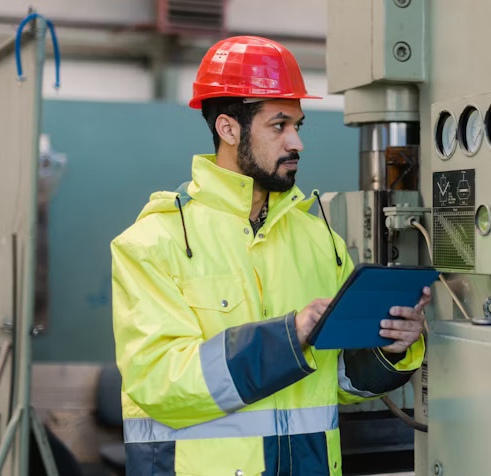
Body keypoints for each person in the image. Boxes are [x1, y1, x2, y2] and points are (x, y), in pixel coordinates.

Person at [110, 36, 430, 476]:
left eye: (298, 125)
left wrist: (391, 349)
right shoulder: (153, 242)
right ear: (228, 129)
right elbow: (160, 383)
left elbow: (336, 384)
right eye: (279, 126)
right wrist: (289, 335)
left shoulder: (320, 239)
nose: (296, 142)